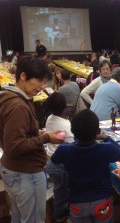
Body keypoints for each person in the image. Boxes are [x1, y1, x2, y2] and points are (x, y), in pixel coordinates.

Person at [0, 56, 64, 222]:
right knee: (33, 219)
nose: (42, 87)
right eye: (39, 81)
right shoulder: (18, 106)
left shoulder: (11, 96)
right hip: (25, 173)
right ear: (22, 76)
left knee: (21, 216)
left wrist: (37, 133)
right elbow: (14, 145)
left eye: (45, 83)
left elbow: (16, 134)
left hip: (16, 170)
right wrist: (46, 138)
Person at [50, 109, 120, 222]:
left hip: (77, 204)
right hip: (102, 203)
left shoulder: (64, 150)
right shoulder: (106, 149)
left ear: (72, 131)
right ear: (97, 131)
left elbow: (54, 160)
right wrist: (106, 138)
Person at [45, 92, 74, 223]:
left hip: (51, 158)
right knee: (62, 193)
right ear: (64, 107)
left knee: (60, 190)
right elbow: (72, 145)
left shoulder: (50, 118)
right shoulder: (66, 126)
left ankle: (60, 213)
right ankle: (60, 217)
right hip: (61, 165)